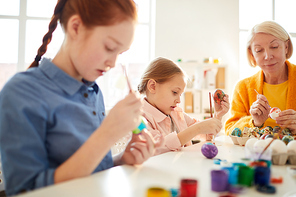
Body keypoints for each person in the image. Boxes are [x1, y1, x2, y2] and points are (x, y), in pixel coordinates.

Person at [0, 0, 163, 195]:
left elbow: (90, 172)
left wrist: (121, 160)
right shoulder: (21, 92)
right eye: (110, 47)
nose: (112, 63)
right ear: (76, 27)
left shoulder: (94, 91)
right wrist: (107, 134)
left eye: (120, 53)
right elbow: (25, 191)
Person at [138, 57, 230, 155]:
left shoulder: (176, 113)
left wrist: (217, 115)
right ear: (152, 86)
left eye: (180, 94)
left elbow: (207, 134)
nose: (179, 100)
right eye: (174, 92)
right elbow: (155, 148)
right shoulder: (139, 118)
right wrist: (197, 128)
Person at [225, 21, 296, 135]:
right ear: (252, 54)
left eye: (274, 47)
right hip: (257, 152)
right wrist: (254, 122)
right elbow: (230, 130)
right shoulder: (243, 88)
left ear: (286, 47)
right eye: (259, 50)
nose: (268, 56)